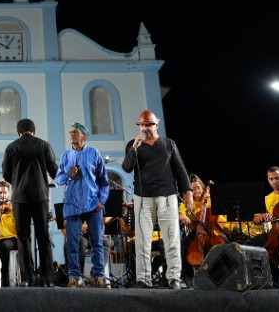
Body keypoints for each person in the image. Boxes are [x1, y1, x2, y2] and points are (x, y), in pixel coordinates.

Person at [121, 109, 193, 289]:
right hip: (142, 197)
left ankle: (174, 277)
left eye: (149, 124)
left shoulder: (168, 144)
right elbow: (127, 167)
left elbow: (180, 169)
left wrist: (188, 192)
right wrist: (134, 147)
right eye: (142, 125)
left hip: (167, 196)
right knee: (142, 240)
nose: (145, 128)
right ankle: (143, 279)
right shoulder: (133, 144)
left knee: (172, 237)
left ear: (156, 124)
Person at [2, 118, 59, 287]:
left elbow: (6, 174)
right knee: (43, 236)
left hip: (20, 198)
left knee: (23, 237)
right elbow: (54, 171)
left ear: (18, 132)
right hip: (40, 196)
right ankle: (48, 279)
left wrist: (19, 181)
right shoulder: (44, 145)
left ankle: (27, 278)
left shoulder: (11, 147)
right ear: (34, 131)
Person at [54, 122, 110, 288]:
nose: (71, 135)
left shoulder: (94, 153)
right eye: (70, 132)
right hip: (72, 206)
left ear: (84, 136)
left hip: (93, 205)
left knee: (97, 242)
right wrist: (68, 174)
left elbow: (103, 181)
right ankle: (73, 276)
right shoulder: (66, 155)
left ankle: (99, 276)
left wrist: (102, 201)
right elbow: (59, 180)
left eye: (75, 132)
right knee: (72, 243)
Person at [178, 174, 228, 287]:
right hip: (195, 233)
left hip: (212, 231)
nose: (196, 190)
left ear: (203, 187)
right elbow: (180, 214)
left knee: (225, 241)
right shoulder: (185, 204)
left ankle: (224, 273)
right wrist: (184, 217)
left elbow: (221, 220)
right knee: (184, 242)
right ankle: (187, 276)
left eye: (198, 187)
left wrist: (211, 199)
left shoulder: (209, 199)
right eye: (192, 188)